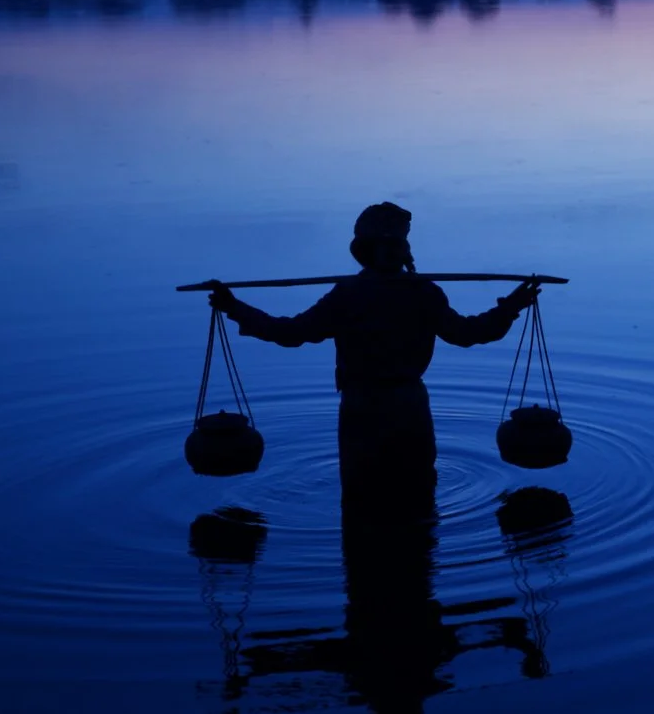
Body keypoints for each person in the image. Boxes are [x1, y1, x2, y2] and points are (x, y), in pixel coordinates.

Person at [204, 202, 541, 500]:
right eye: (385, 245)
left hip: (402, 406)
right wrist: (235, 308)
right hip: (366, 408)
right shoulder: (353, 295)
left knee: (410, 491)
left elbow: (467, 333)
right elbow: (292, 333)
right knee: (369, 491)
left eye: (395, 245)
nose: (391, 252)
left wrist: (511, 306)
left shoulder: (418, 293)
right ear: (369, 250)